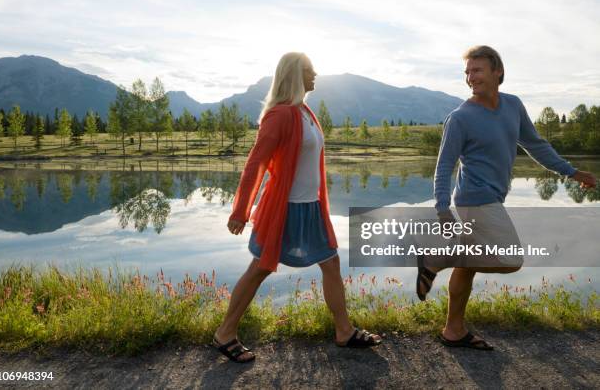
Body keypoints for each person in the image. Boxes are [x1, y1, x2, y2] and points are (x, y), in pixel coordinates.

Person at [417, 45, 597, 351]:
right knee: (511, 259)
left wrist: (572, 172)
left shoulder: (513, 106)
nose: (471, 77)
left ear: (497, 71)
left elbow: (536, 145)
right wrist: (442, 211)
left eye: (477, 70)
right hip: (475, 200)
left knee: (468, 265)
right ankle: (434, 260)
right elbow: (444, 166)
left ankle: (453, 330)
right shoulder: (460, 118)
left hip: (492, 198)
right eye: (467, 72)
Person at [213, 52, 381, 363]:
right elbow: (255, 163)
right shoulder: (280, 115)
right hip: (285, 209)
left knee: (331, 263)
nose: (315, 73)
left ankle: (343, 330)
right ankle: (225, 333)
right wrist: (240, 211)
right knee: (260, 268)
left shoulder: (305, 112)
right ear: (293, 74)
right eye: (308, 69)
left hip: (311, 207)